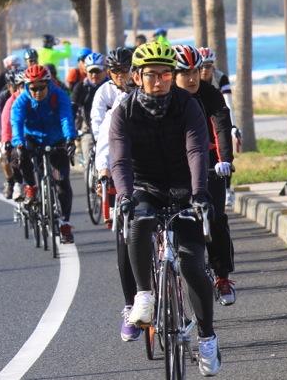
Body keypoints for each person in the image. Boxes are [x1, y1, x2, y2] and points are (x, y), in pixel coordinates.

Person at [109, 42, 221, 376]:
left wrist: (200, 193)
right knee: (139, 222)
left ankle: (207, 338)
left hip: (186, 187)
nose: (159, 81)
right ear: (137, 77)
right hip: (146, 186)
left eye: (165, 74)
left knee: (190, 262)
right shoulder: (125, 111)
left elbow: (197, 150)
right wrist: (126, 195)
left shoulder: (187, 105)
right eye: (151, 75)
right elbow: (120, 157)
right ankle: (144, 294)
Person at [173, 44, 237, 307]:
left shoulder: (210, 94)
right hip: (175, 165)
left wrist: (225, 160)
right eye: (183, 73)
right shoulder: (167, 98)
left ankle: (222, 276)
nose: (191, 78)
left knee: (218, 216)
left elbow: (222, 124)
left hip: (210, 162)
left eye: (195, 71)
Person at [90, 47, 139, 342]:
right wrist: (103, 174)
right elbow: (104, 141)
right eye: (119, 73)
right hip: (128, 176)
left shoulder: (172, 100)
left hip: (167, 178)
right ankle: (130, 303)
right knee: (125, 236)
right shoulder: (116, 104)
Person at [11, 64, 77, 244]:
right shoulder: (22, 100)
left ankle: (65, 223)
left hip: (56, 141)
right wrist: (18, 143)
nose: (38, 91)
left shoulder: (59, 96)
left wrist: (70, 139)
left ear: (48, 85)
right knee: (19, 155)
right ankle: (31, 187)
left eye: (42, 87)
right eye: (33, 88)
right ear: (27, 87)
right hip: (33, 139)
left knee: (61, 182)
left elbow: (66, 117)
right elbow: (16, 121)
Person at [198, 46, 240, 208]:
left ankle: (227, 189)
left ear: (213, 66)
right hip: (200, 120)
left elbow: (228, 104)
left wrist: (234, 126)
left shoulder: (220, 78)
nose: (204, 70)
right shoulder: (192, 80)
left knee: (224, 153)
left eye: (208, 66)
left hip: (218, 118)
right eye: (200, 67)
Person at [71, 52, 107, 168]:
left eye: (97, 71)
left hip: (110, 129)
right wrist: (71, 133)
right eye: (91, 71)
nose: (94, 74)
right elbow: (72, 109)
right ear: (85, 71)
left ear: (105, 70)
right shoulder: (81, 87)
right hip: (87, 127)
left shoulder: (111, 86)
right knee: (88, 161)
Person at [0, 70, 25, 200]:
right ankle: (12, 182)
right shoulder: (7, 101)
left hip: (33, 136)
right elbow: (4, 123)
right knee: (6, 155)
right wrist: (5, 141)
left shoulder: (37, 96)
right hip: (13, 135)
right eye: (20, 86)